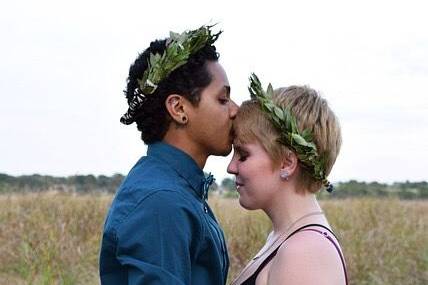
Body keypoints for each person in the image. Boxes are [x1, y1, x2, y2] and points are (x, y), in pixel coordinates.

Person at [99, 25, 238, 285]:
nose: (235, 110)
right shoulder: (162, 202)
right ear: (178, 108)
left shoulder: (177, 190)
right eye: (222, 100)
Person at [227, 74, 348, 285]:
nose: (231, 167)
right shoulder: (287, 240)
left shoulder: (304, 253)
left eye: (243, 155)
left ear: (286, 163)